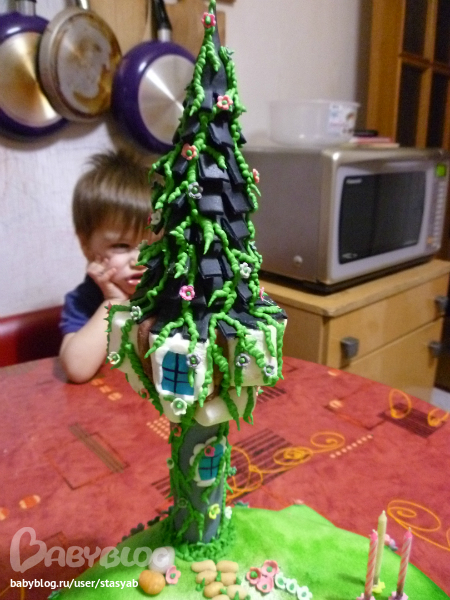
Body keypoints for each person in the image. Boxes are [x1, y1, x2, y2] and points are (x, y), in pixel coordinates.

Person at [60, 148, 159, 383]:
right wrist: (113, 303)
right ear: (86, 246)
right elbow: (77, 370)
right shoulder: (86, 299)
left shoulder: (171, 289)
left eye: (155, 246)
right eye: (122, 246)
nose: (140, 261)